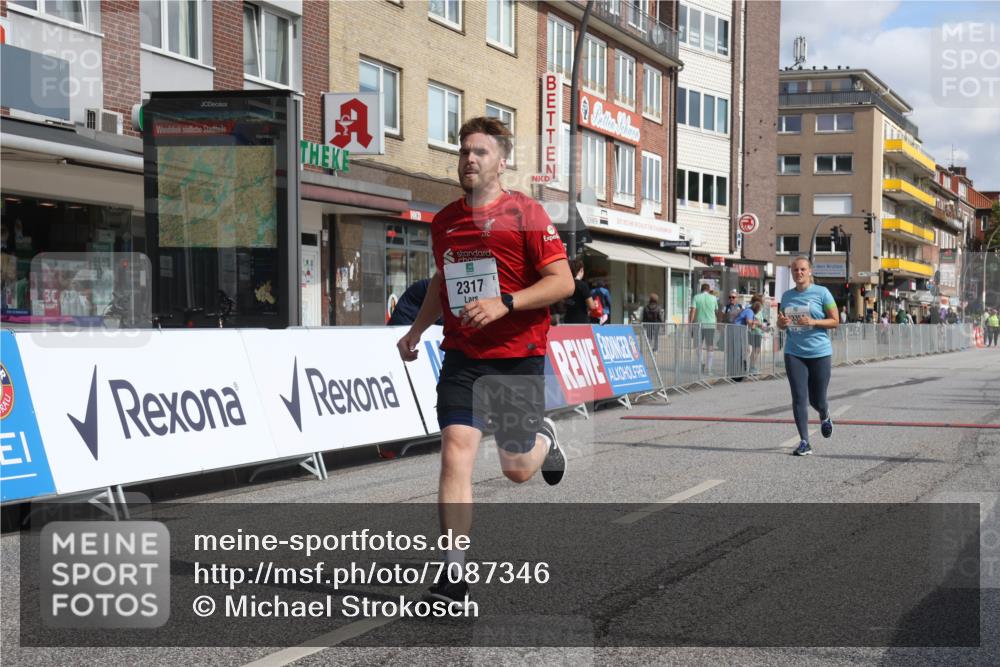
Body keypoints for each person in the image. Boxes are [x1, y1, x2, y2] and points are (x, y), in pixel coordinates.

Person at [395, 116, 573, 604]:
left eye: (480, 152)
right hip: (464, 354)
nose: (469, 160)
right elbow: (441, 281)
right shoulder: (446, 221)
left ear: (501, 161)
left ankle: (543, 438)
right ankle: (453, 574)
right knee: (455, 448)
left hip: (518, 355)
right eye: (464, 152)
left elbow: (563, 282)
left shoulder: (527, 213)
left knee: (516, 468)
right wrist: (415, 331)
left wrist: (506, 303)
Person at [777, 256, 839, 456]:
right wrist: (782, 323)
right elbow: (780, 322)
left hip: (819, 352)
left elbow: (835, 321)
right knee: (799, 397)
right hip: (794, 352)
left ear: (810, 271)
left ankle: (824, 414)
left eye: (803, 269)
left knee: (817, 399)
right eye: (795, 270)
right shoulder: (786, 296)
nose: (799, 273)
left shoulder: (822, 293)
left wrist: (813, 322)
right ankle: (804, 441)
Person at [689, 282, 720, 374]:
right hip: (710, 324)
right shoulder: (713, 298)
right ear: (709, 289)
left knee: (698, 345)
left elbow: (693, 310)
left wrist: (690, 322)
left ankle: (701, 364)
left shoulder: (696, 297)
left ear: (701, 289)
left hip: (699, 324)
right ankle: (708, 368)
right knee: (710, 346)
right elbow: (716, 311)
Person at [735, 298, 765, 375]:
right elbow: (749, 323)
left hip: (740, 331)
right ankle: (742, 368)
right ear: (757, 310)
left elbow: (751, 324)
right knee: (745, 350)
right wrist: (758, 323)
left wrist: (755, 323)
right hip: (738, 331)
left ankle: (743, 368)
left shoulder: (749, 311)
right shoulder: (750, 311)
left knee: (746, 350)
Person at [563, 259, 596, 325]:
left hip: (568, 319)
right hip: (581, 321)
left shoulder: (565, 284)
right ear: (581, 270)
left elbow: (562, 303)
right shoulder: (583, 285)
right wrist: (595, 303)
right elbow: (591, 306)